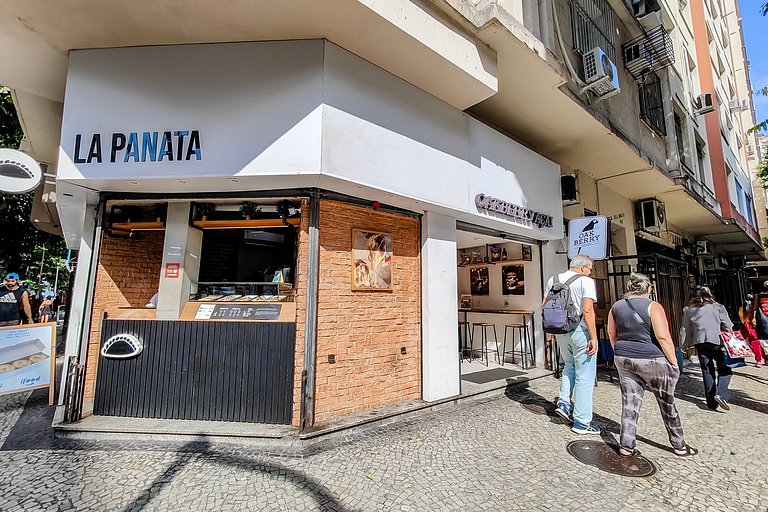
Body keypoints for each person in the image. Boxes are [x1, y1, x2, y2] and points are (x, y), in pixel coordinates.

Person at [607, 273, 697, 457]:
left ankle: (626, 445)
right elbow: (663, 336)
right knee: (667, 403)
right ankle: (679, 445)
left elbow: (611, 331)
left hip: (624, 358)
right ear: (648, 287)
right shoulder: (653, 306)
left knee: (630, 402)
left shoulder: (616, 306)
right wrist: (674, 362)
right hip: (653, 359)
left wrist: (619, 350)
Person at [543, 254, 600, 434]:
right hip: (580, 330)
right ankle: (582, 422)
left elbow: (545, 304)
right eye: (590, 268)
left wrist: (551, 330)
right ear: (583, 267)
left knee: (569, 366)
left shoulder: (553, 279)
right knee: (585, 376)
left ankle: (564, 403)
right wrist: (593, 336)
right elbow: (587, 309)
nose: (591, 272)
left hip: (561, 330)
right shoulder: (586, 281)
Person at [680, 285, 734, 411]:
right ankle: (721, 393)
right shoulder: (718, 307)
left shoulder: (688, 309)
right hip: (718, 341)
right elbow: (728, 325)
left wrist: (684, 345)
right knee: (724, 368)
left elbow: (685, 329)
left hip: (701, 342)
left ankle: (711, 401)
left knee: (707, 370)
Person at [739, 294, 767, 367]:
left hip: (750, 327)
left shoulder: (744, 308)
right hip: (759, 326)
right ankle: (765, 359)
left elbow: (743, 319)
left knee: (755, 343)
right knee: (762, 343)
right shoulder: (759, 307)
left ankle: (759, 360)